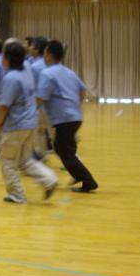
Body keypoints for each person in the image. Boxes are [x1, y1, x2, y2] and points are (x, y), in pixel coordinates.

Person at [0, 42, 58, 204]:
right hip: (31, 122)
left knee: (8, 161)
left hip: (16, 125)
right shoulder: (27, 69)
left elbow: (4, 105)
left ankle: (17, 194)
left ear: (8, 58)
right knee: (25, 160)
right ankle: (49, 179)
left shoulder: (11, 78)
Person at [37, 40, 99, 193]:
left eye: (45, 53)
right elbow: (82, 90)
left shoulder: (47, 73)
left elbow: (39, 98)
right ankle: (78, 175)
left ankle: (89, 181)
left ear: (49, 54)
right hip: (75, 117)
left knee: (65, 151)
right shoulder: (69, 72)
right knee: (60, 148)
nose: (43, 56)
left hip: (63, 119)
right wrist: (74, 105)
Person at [29, 36, 51, 159]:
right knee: (41, 131)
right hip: (52, 103)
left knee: (39, 131)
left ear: (37, 49)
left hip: (41, 104)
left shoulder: (35, 66)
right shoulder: (49, 63)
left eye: (32, 46)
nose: (29, 48)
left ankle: (41, 156)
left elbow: (32, 87)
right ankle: (42, 155)